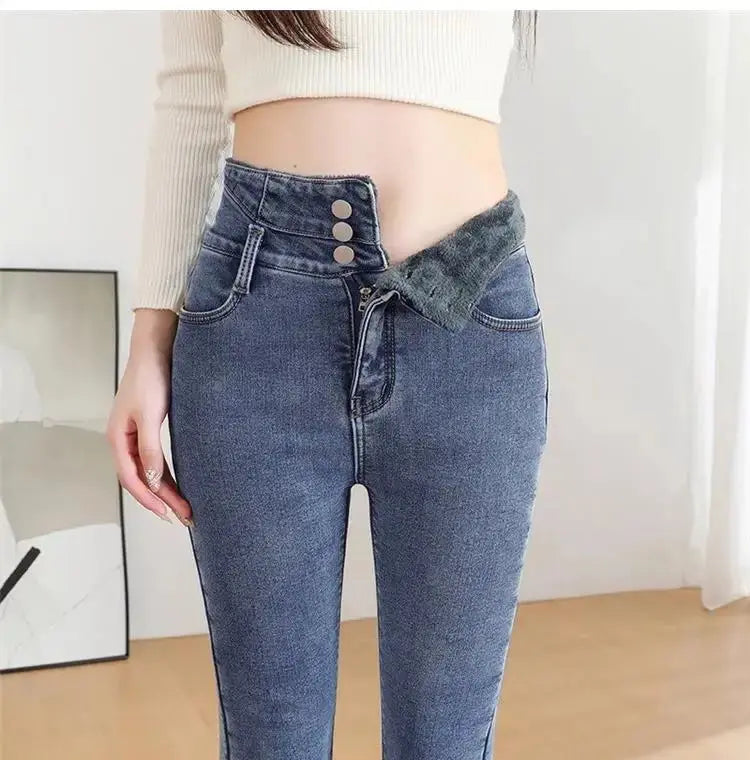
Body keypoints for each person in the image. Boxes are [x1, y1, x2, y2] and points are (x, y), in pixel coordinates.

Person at [107, 10, 548, 759]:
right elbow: (191, 93)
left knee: (446, 740)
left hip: (468, 312)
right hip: (258, 309)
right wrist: (150, 340)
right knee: (271, 740)